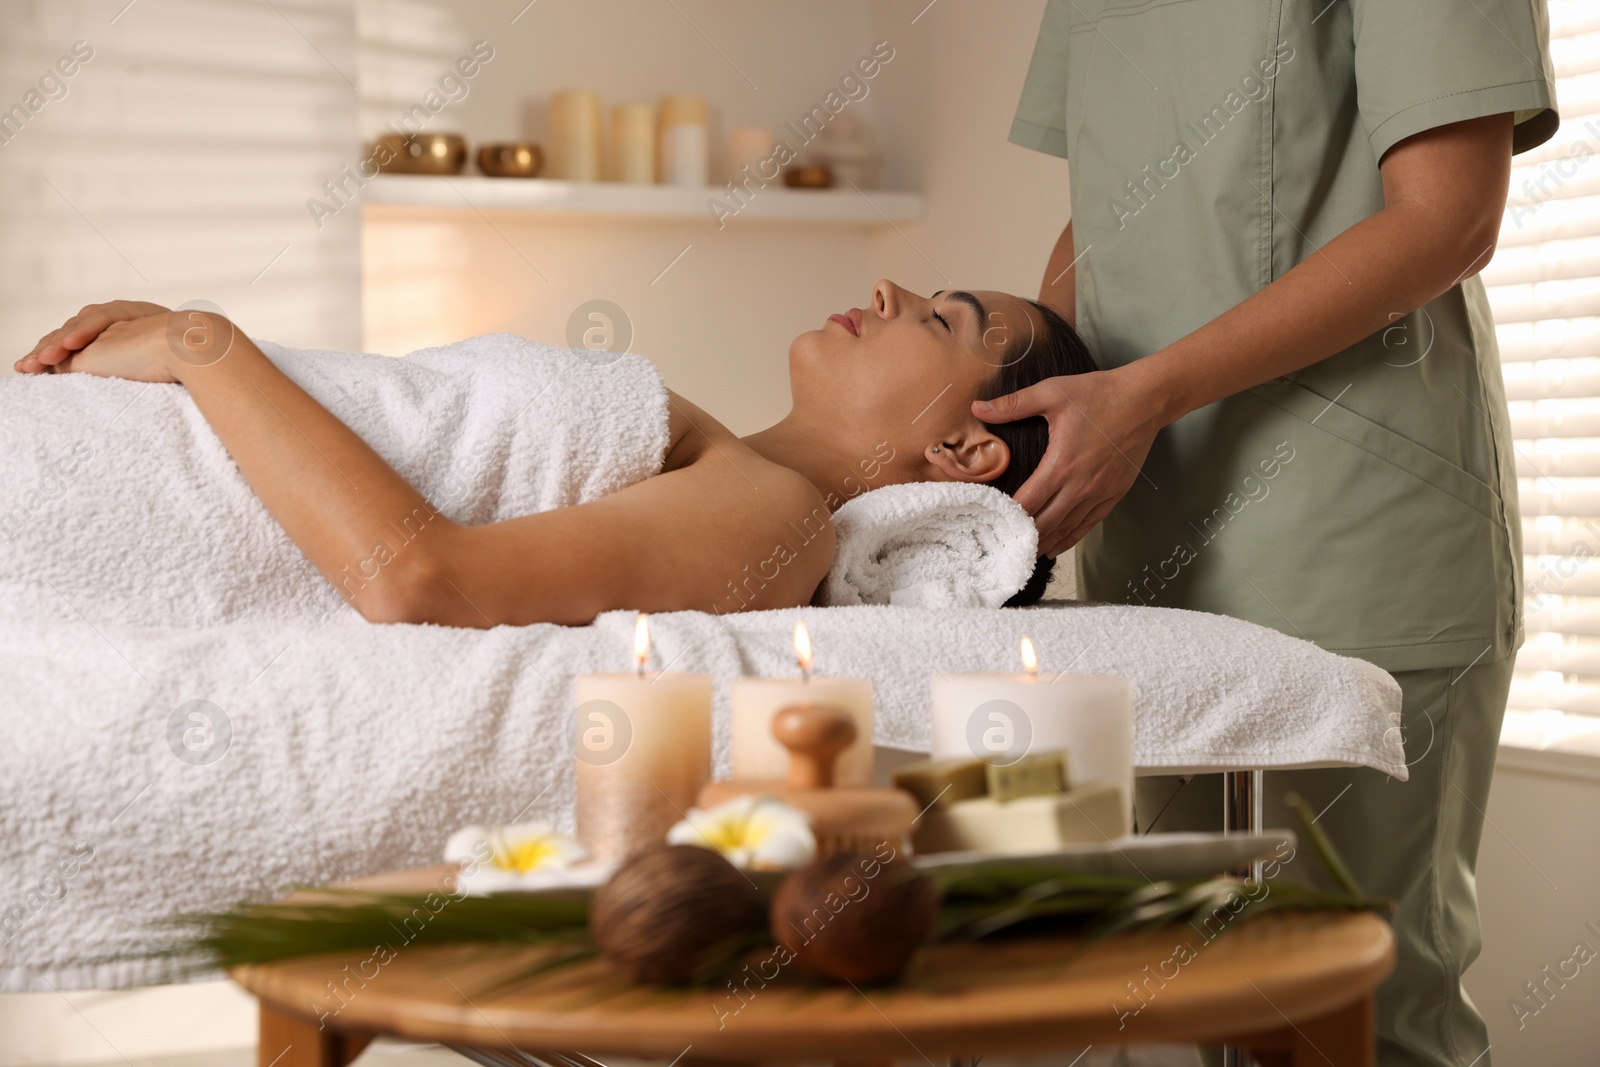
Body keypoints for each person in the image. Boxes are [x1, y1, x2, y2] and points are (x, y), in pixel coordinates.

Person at [984, 3, 1558, 1065]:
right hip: (1152, 549)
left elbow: (1447, 217)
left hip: (1352, 526)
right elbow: (1100, 224)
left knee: (1360, 1012)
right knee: (1202, 994)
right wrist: (1011, 415)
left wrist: (1146, 395)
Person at [10, 281, 1092, 624]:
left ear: (963, 449)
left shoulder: (776, 519)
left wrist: (205, 343)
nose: (896, 291)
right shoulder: (708, 447)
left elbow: (419, 575)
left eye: (945, 321)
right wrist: (193, 349)